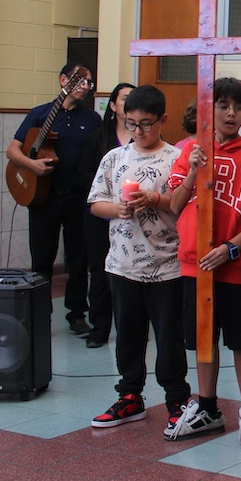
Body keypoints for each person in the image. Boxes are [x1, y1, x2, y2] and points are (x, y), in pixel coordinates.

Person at [166, 77, 241, 450]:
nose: (230, 113)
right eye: (223, 105)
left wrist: (231, 247)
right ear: (208, 110)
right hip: (195, 264)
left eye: (238, 107)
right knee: (202, 338)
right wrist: (193, 170)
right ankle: (207, 407)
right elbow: (175, 205)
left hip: (235, 266)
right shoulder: (191, 150)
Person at [86, 86, 191, 431]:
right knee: (128, 335)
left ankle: (176, 398)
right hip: (123, 263)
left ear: (162, 120)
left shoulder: (176, 158)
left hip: (167, 264)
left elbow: (184, 205)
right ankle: (130, 395)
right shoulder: (114, 158)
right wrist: (117, 209)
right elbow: (96, 203)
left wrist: (154, 199)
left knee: (169, 337)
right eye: (131, 123)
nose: (138, 131)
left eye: (146, 124)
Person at [6, 63, 103, 337]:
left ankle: (77, 315)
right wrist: (32, 165)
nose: (85, 86)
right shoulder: (40, 114)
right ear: (63, 80)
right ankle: (39, 315)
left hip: (78, 199)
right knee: (42, 259)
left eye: (88, 83)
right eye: (80, 81)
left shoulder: (92, 119)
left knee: (78, 260)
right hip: (43, 198)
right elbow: (12, 150)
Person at [77, 82, 135, 349]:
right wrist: (111, 187)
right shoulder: (97, 138)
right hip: (100, 215)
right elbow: (82, 175)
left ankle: (132, 326)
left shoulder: (143, 139)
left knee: (132, 271)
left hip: (132, 216)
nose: (129, 103)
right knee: (100, 271)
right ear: (112, 105)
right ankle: (100, 327)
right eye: (124, 99)